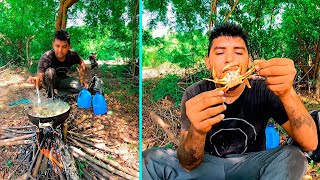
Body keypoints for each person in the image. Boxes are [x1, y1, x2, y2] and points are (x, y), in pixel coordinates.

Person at [143, 23, 318, 180]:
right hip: (208, 167)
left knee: (294, 156)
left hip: (252, 166)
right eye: (219, 52)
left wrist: (288, 92)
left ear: (249, 61)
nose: (229, 59)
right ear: (208, 62)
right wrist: (197, 131)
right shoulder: (195, 94)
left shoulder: (265, 89)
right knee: (150, 159)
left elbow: (309, 144)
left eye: (238, 52)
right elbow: (188, 163)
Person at [27, 29, 88, 98]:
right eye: (57, 46)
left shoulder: (72, 54)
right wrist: (37, 79)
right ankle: (51, 95)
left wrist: (82, 78)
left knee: (81, 87)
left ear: (69, 46)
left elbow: (81, 62)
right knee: (50, 72)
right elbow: (40, 75)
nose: (60, 50)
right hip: (49, 82)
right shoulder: (46, 56)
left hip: (63, 80)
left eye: (64, 47)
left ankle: (59, 92)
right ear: (53, 45)